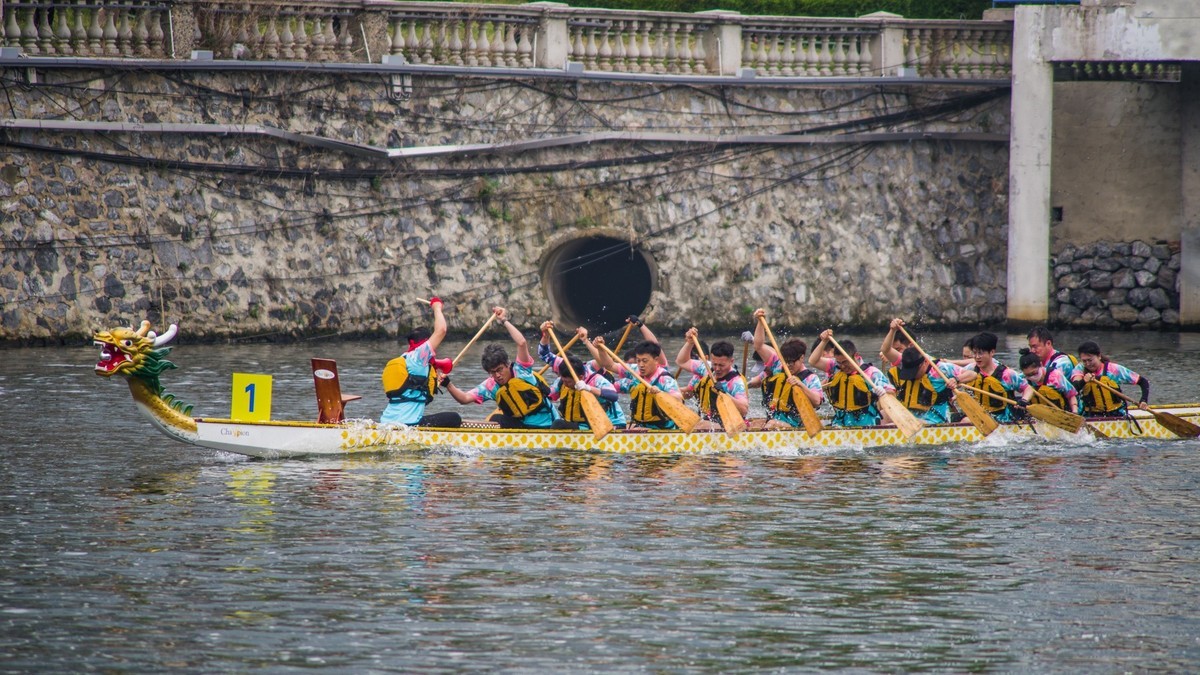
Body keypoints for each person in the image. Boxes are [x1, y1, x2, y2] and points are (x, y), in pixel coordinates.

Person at [443, 307, 561, 429]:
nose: (497, 375)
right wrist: (448, 384)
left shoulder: (522, 370)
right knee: (496, 419)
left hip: (548, 425)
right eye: (493, 372)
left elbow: (521, 343)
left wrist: (503, 320)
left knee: (497, 419)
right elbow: (464, 398)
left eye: (499, 370)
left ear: (507, 364)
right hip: (522, 427)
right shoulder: (491, 386)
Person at [380, 297, 462, 428]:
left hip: (386, 421)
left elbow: (414, 395)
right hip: (408, 424)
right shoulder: (419, 356)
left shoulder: (405, 359)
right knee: (454, 418)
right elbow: (441, 330)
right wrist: (437, 307)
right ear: (426, 342)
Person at [537, 323, 627, 429]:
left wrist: (588, 388)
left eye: (568, 382)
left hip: (609, 424)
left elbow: (613, 396)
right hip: (582, 425)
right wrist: (546, 335)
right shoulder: (564, 364)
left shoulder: (596, 380)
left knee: (558, 425)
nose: (565, 384)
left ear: (580, 377)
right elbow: (544, 354)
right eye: (563, 380)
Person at [751, 308, 822, 430]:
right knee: (753, 425)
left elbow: (817, 401)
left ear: (801, 358)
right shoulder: (778, 364)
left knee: (771, 424)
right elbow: (758, 346)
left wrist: (800, 385)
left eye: (791, 362)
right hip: (773, 419)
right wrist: (760, 321)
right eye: (786, 361)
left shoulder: (810, 378)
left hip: (795, 424)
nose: (788, 365)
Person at [811, 329, 894, 427]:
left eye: (845, 362)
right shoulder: (835, 367)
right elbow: (813, 361)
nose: (842, 366)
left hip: (867, 425)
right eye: (839, 362)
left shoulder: (871, 372)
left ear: (856, 356)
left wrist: (884, 392)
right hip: (839, 424)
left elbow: (892, 393)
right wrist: (824, 341)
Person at [597, 339, 683, 430]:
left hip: (663, 428)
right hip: (640, 425)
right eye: (638, 361)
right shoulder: (634, 370)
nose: (641, 365)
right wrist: (600, 349)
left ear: (656, 360)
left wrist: (660, 393)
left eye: (645, 361)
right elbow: (610, 365)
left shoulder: (665, 379)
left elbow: (679, 400)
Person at [675, 327, 749, 430]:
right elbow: (681, 361)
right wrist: (689, 343)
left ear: (731, 361)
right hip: (709, 420)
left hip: (729, 424)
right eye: (715, 364)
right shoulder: (707, 367)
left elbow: (744, 409)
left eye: (721, 365)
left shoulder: (736, 382)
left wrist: (724, 393)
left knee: (698, 425)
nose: (717, 369)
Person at [886, 346, 973, 424]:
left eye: (915, 371)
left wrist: (956, 380)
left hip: (937, 421)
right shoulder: (907, 363)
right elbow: (886, 350)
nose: (912, 375)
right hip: (910, 419)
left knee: (907, 423)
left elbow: (972, 374)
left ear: (925, 363)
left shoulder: (940, 369)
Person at [962, 332, 1029, 423]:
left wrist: (1024, 400)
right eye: (975, 353)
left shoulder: (1006, 374)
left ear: (992, 352)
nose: (977, 357)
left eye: (980, 353)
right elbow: (954, 375)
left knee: (966, 421)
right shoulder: (970, 369)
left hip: (1003, 420)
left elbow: (1027, 388)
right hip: (978, 416)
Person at [1070, 340, 1150, 417]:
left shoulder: (1113, 369)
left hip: (1116, 413)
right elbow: (1073, 388)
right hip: (1090, 414)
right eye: (1084, 361)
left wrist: (1143, 400)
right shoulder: (1080, 369)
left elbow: (1143, 381)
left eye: (1090, 360)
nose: (1087, 364)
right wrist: (1084, 381)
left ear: (1099, 356)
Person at [1017, 350, 1080, 414]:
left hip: (1060, 412)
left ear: (1041, 365)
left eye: (1034, 373)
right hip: (1038, 414)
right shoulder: (1022, 379)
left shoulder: (1055, 376)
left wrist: (1074, 411)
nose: (1032, 377)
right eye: (1028, 375)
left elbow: (1071, 395)